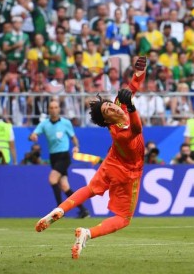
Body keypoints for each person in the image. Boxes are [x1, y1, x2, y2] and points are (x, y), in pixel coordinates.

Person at [34, 56, 147, 259]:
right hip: (128, 172)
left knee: (90, 189)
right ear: (107, 120)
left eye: (109, 105)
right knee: (123, 218)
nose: (112, 107)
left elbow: (132, 86)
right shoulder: (121, 132)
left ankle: (58, 210)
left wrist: (139, 72)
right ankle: (89, 233)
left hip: (112, 161)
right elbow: (137, 128)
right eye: (107, 110)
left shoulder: (119, 106)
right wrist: (131, 107)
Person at [29, 100, 90, 219]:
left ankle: (59, 210)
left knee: (52, 179)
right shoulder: (44, 124)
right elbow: (33, 134)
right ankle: (84, 210)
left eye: (56, 107)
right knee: (65, 186)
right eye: (51, 107)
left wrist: (76, 147)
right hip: (53, 157)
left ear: (59, 109)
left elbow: (74, 138)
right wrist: (33, 136)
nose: (54, 109)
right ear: (48, 110)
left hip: (64, 156)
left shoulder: (65, 123)